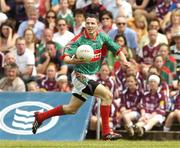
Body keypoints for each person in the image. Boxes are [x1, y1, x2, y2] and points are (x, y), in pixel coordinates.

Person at [32, 13, 130, 140]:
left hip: (91, 76)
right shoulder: (78, 40)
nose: (89, 25)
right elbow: (66, 57)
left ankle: (41, 117)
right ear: (85, 24)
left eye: (92, 23)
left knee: (71, 109)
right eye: (87, 23)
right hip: (79, 76)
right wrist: (75, 61)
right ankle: (106, 133)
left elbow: (117, 49)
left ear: (98, 25)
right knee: (107, 96)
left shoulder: (102, 37)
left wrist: (124, 60)